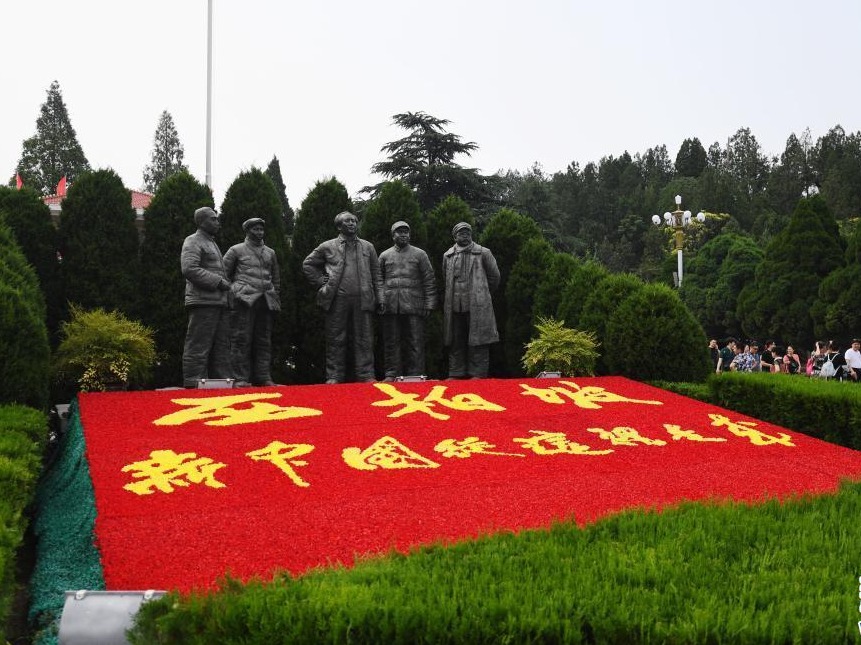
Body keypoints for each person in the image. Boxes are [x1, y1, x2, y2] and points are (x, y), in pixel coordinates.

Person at [302, 211, 383, 384]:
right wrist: (319, 280)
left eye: (354, 220)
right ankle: (334, 376)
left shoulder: (368, 247)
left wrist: (380, 297)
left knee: (364, 338)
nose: (353, 223)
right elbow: (308, 264)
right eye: (348, 221)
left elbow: (376, 274)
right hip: (337, 299)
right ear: (339, 226)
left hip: (363, 298)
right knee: (336, 337)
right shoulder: (327, 246)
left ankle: (366, 374)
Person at [224, 218, 280, 387]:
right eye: (255, 229)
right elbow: (224, 274)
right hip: (244, 301)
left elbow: (276, 278)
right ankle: (240, 378)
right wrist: (236, 291)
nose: (259, 232)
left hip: (265, 301)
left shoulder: (270, 252)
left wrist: (274, 294)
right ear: (247, 231)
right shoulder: (236, 250)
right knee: (241, 339)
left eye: (261, 229)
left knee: (264, 340)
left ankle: (263, 377)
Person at [378, 221, 437, 381]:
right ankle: (391, 374)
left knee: (415, 341)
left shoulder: (420, 254)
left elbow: (429, 279)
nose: (403, 235)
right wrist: (380, 300)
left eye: (406, 232)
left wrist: (429, 303)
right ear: (393, 235)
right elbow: (378, 280)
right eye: (399, 232)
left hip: (414, 304)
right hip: (391, 305)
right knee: (392, 341)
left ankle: (416, 374)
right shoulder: (384, 255)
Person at [180, 206, 232, 388]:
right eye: (213, 219)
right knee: (198, 344)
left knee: (221, 345)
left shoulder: (211, 242)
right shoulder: (193, 241)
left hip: (218, 301)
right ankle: (193, 381)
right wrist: (218, 281)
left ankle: (223, 383)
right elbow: (189, 269)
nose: (217, 222)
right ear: (202, 222)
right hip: (203, 301)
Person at [442, 222, 500, 379]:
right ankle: (456, 372)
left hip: (477, 304)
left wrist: (483, 294)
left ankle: (478, 373)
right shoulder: (448, 255)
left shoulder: (483, 253)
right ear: (455, 236)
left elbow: (494, 277)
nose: (465, 235)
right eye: (461, 233)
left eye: (467, 232)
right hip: (455, 304)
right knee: (456, 339)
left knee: (478, 339)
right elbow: (445, 278)